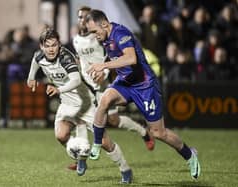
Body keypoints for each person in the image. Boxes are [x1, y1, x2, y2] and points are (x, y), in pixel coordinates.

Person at [85, 9, 201, 180]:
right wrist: (104, 67)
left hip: (145, 86)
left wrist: (104, 66)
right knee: (105, 100)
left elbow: (131, 58)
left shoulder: (121, 33)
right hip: (126, 82)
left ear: (104, 24)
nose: (94, 35)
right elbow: (115, 57)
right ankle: (97, 142)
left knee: (158, 133)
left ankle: (189, 155)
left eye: (95, 31)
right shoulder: (105, 38)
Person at [27, 27, 133, 183]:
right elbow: (35, 62)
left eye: (54, 45)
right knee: (61, 135)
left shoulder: (65, 57)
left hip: (86, 103)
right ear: (41, 46)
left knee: (104, 142)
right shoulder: (39, 56)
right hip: (67, 103)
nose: (51, 49)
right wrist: (31, 77)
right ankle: (80, 154)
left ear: (59, 45)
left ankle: (125, 169)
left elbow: (76, 81)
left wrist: (58, 89)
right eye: (47, 46)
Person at [73, 6, 154, 151]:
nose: (82, 20)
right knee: (81, 117)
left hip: (102, 82)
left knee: (113, 120)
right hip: (87, 83)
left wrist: (103, 73)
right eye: (80, 17)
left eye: (85, 17)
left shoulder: (99, 36)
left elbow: (111, 55)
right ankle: (81, 156)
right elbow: (82, 59)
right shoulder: (76, 40)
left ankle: (143, 131)